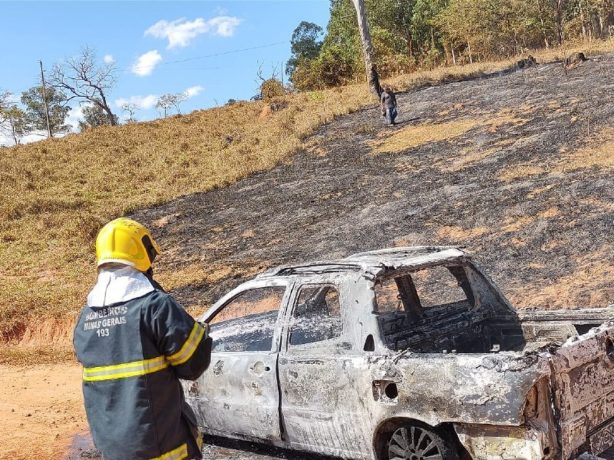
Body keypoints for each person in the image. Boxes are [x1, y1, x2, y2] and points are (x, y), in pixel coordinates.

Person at [73, 217, 211, 460]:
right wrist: (198, 331)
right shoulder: (154, 307)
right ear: (144, 256)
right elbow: (193, 364)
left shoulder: (85, 318)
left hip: (114, 451)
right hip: (164, 449)